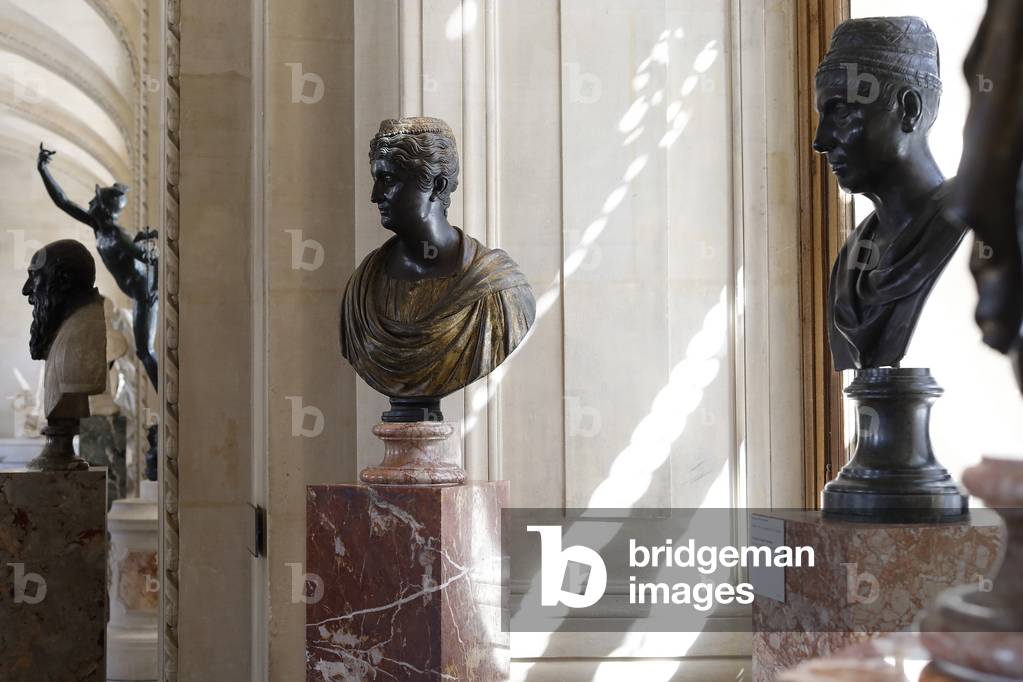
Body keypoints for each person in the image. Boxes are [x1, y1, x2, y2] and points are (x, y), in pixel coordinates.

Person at [339, 117, 535, 419]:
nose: (375, 195)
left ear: (437, 185)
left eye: (389, 179)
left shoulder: (499, 291)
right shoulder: (360, 291)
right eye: (376, 179)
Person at [813, 17, 968, 370]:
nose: (820, 141)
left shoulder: (974, 225)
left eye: (841, 112)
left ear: (908, 110)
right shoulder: (851, 262)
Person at [37, 143, 158, 390]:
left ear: (102, 207)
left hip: (143, 291)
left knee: (145, 351)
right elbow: (63, 202)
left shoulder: (115, 233)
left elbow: (150, 259)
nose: (90, 202)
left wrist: (154, 287)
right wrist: (43, 169)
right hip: (137, 292)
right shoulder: (99, 227)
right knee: (144, 351)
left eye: (95, 200)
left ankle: (171, 404)